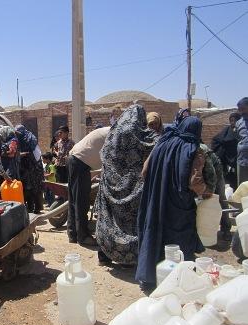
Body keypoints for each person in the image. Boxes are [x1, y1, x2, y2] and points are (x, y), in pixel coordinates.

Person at [136, 117, 211, 290]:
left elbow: (144, 171)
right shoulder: (193, 149)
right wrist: (206, 192)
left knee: (154, 234)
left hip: (155, 200)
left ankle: (150, 277)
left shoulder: (162, 143)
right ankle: (177, 283)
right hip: (177, 205)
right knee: (178, 241)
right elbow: (195, 182)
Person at [95, 105, 158, 266]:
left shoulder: (114, 133)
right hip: (133, 189)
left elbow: (105, 155)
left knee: (107, 219)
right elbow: (156, 145)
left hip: (110, 184)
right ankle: (131, 258)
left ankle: (104, 256)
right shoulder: (143, 134)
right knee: (132, 222)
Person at [67, 126, 110, 246]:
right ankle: (83, 236)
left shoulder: (108, 131)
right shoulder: (113, 134)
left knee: (74, 201)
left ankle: (73, 234)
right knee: (81, 201)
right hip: (80, 162)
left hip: (75, 159)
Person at [201, 143, 232, 241]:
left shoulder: (199, 149)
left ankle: (226, 230)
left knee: (221, 200)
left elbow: (212, 174)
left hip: (216, 175)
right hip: (205, 175)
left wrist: (210, 190)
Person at [15, 125, 44, 213]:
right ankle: (30, 207)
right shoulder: (20, 140)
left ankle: (38, 208)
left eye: (18, 133)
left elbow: (32, 153)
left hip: (34, 168)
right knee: (27, 188)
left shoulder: (30, 139)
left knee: (35, 188)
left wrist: (21, 154)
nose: (17, 135)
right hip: (25, 167)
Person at [211, 112, 241, 189]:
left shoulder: (242, 131)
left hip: (238, 158)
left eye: (235, 121)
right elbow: (216, 139)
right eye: (231, 121)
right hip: (225, 158)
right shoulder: (227, 130)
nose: (232, 123)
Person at [235, 97, 248, 185]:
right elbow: (237, 138)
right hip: (243, 159)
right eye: (239, 109)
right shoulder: (239, 123)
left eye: (242, 108)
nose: (241, 111)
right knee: (242, 186)